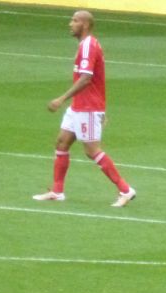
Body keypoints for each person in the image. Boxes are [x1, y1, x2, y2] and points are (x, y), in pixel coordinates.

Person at [32, 10, 136, 208]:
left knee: (92, 150)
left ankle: (125, 190)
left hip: (88, 107)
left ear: (85, 25)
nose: (70, 24)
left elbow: (87, 78)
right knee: (62, 143)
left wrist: (61, 98)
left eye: (75, 20)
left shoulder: (88, 46)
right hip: (80, 105)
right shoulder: (85, 45)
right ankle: (57, 191)